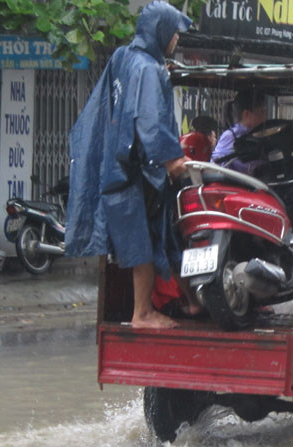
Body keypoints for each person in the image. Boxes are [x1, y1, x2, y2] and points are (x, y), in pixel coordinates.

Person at [65, 1, 192, 329]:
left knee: (148, 241)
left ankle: (186, 302)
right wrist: (171, 160)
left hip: (116, 167)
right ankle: (143, 314)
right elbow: (150, 122)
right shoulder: (148, 70)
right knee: (146, 245)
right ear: (160, 31)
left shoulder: (124, 57)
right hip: (134, 173)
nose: (176, 40)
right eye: (174, 33)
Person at [211, 89, 267, 175]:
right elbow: (215, 165)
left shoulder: (258, 133)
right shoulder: (231, 136)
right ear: (246, 114)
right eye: (261, 112)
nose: (264, 118)